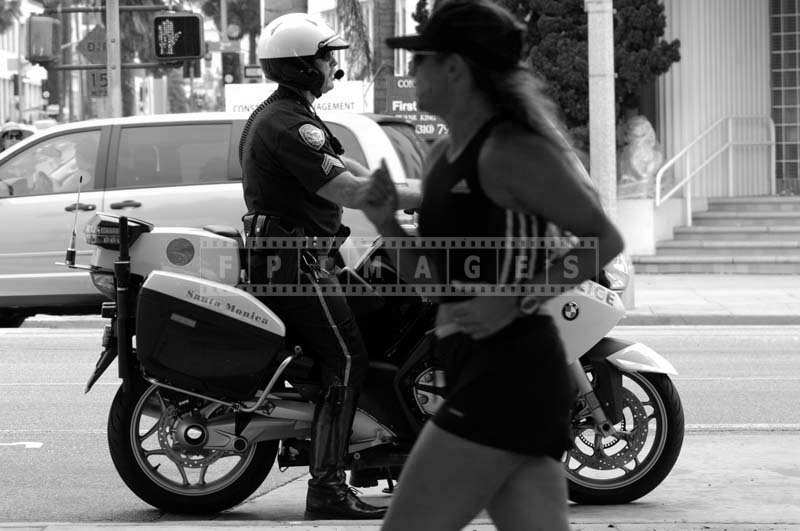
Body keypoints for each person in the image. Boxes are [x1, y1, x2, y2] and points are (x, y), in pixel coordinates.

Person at [361, 1, 625, 529]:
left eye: (422, 59)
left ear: (456, 68)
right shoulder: (441, 157)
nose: (411, 71)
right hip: (474, 366)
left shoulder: (511, 151)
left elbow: (604, 238)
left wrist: (513, 298)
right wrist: (387, 224)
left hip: (509, 371)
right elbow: (434, 283)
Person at [239, 13, 419, 520]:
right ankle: (326, 489)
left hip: (302, 258)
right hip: (294, 265)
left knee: (383, 307)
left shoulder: (293, 115)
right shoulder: (287, 124)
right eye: (325, 57)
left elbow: (357, 173)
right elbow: (350, 191)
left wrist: (415, 193)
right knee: (346, 360)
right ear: (300, 66)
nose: (331, 66)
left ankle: (382, 445)